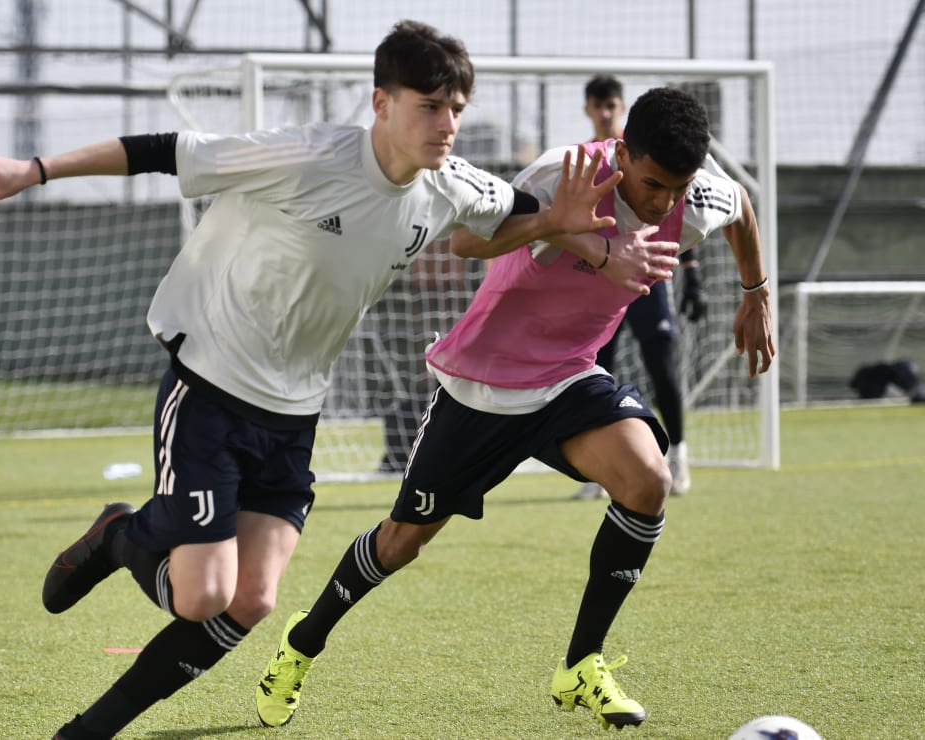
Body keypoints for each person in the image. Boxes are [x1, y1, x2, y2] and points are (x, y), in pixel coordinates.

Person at [0, 20, 671, 739]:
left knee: (252, 601)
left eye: (456, 108)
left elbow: (514, 216)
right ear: (380, 103)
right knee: (204, 594)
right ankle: (121, 535)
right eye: (429, 106)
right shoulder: (305, 156)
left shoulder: (449, 184)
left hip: (295, 415)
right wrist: (34, 170)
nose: (447, 124)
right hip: (210, 387)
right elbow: (161, 152)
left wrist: (571, 227)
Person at [254, 87, 774, 731]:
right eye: (651, 183)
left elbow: (742, 206)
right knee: (401, 543)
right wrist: (573, 232)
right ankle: (302, 644)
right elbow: (468, 243)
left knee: (648, 481)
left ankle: (581, 665)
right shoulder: (564, 172)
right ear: (623, 153)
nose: (663, 201)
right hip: (482, 385)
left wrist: (755, 293)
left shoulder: (691, 198)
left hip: (568, 379)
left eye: (676, 187)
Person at [573, 74, 708, 500]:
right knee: (595, 374)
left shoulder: (652, 155)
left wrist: (693, 272)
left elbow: (676, 213)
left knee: (662, 366)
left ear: (620, 106)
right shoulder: (588, 163)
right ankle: (599, 470)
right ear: (588, 109)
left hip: (649, 280)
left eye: (612, 103)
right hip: (600, 283)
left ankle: (679, 455)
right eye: (599, 105)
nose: (606, 111)